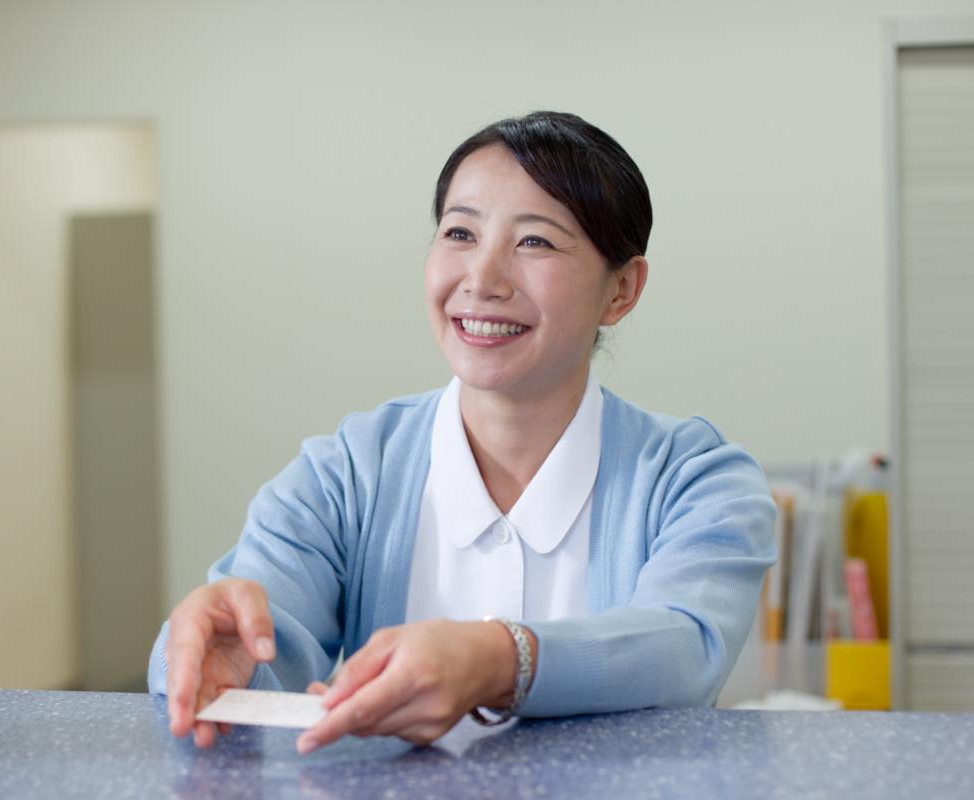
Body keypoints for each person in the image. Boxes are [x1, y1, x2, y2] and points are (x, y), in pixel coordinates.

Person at [148, 111, 777, 755]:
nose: (482, 279)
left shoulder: (697, 479)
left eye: (534, 242)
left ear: (620, 290)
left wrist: (498, 659)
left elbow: (684, 646)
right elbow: (261, 633)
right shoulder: (344, 472)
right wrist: (212, 656)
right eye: (459, 232)